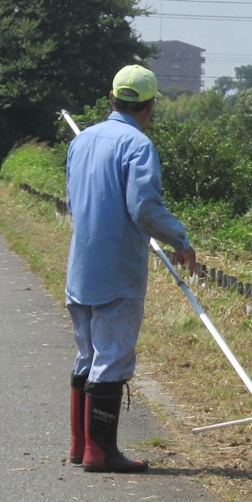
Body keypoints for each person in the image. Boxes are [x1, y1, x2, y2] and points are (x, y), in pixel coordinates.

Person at [65, 64, 196, 474]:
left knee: (86, 355)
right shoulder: (138, 146)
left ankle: (79, 444)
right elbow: (144, 208)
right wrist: (180, 239)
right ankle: (100, 452)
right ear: (149, 106)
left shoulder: (82, 140)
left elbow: (72, 197)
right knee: (112, 357)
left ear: (112, 99)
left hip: (80, 267)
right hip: (117, 269)